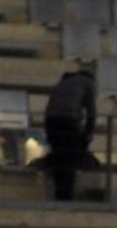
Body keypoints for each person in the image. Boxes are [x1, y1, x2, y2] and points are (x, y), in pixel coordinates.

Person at [42, 62, 98, 202]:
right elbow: (91, 112)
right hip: (67, 122)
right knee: (70, 160)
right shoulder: (87, 83)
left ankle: (59, 195)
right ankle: (67, 197)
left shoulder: (64, 82)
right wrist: (88, 134)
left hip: (51, 122)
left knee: (59, 159)